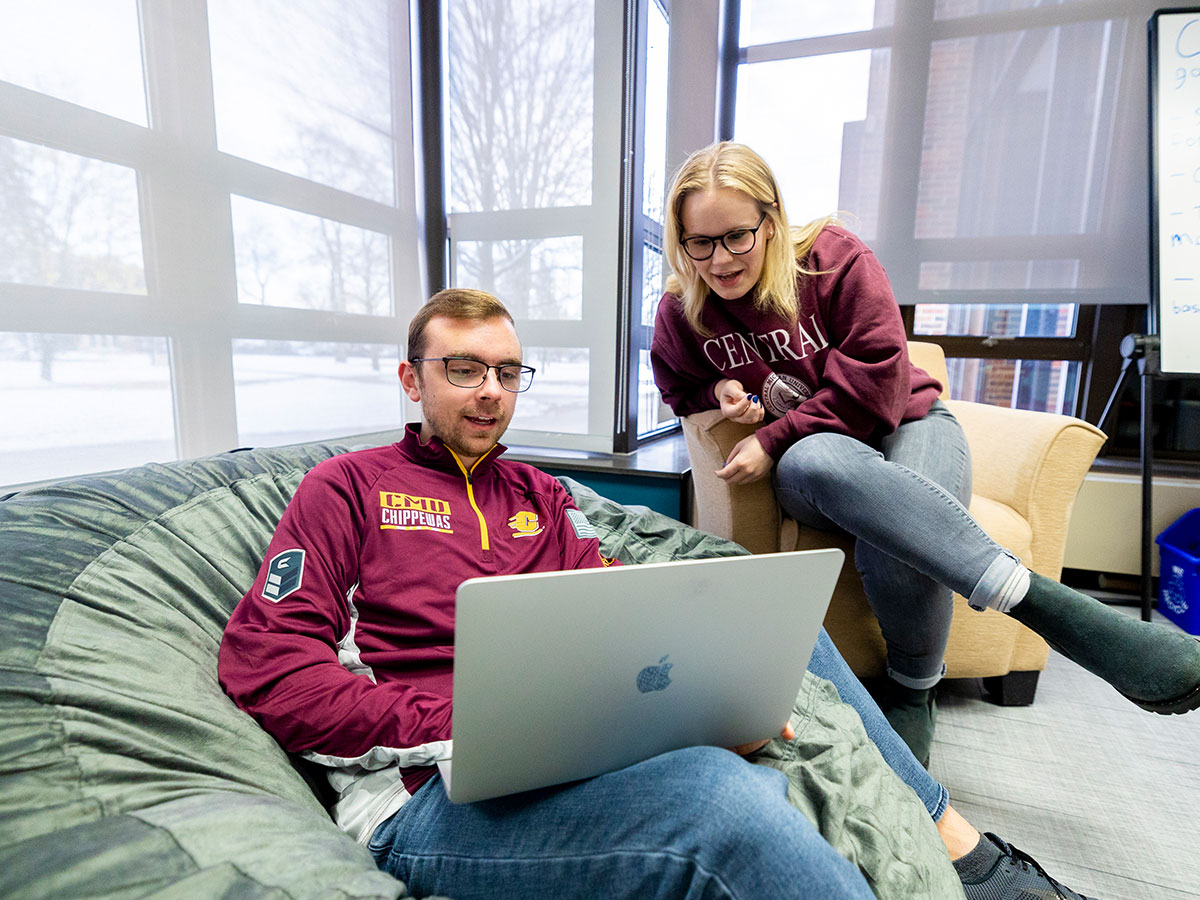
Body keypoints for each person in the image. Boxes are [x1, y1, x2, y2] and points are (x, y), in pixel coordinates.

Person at [221, 288, 1101, 900]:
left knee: (752, 756)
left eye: (508, 372)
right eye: (463, 369)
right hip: (425, 799)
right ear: (412, 380)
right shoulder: (345, 489)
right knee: (722, 805)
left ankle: (951, 848)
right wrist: (472, 721)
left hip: (570, 752)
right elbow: (271, 672)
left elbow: (612, 626)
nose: (490, 392)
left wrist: (702, 700)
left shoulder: (538, 495)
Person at [649, 140, 1200, 768]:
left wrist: (771, 436)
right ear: (681, 240)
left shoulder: (833, 260)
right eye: (700, 243)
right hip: (818, 460)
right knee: (816, 459)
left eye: (737, 236)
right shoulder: (683, 309)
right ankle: (1055, 609)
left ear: (770, 220)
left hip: (909, 420)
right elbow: (677, 386)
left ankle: (913, 692)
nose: (720, 260)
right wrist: (720, 391)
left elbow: (877, 386)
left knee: (900, 533)